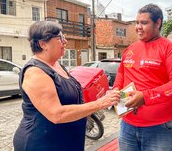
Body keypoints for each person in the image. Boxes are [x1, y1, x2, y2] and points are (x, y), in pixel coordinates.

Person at [13, 21, 120, 151]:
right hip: (43, 143)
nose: (65, 41)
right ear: (43, 44)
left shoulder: (56, 64)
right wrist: (100, 103)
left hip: (66, 140)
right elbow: (56, 114)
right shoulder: (35, 72)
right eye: (60, 38)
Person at [113, 4, 172, 151]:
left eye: (144, 22)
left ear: (158, 23)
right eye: (137, 22)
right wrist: (116, 89)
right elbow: (122, 73)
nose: (138, 27)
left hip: (160, 128)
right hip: (127, 125)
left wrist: (146, 97)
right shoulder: (131, 49)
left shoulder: (170, 49)